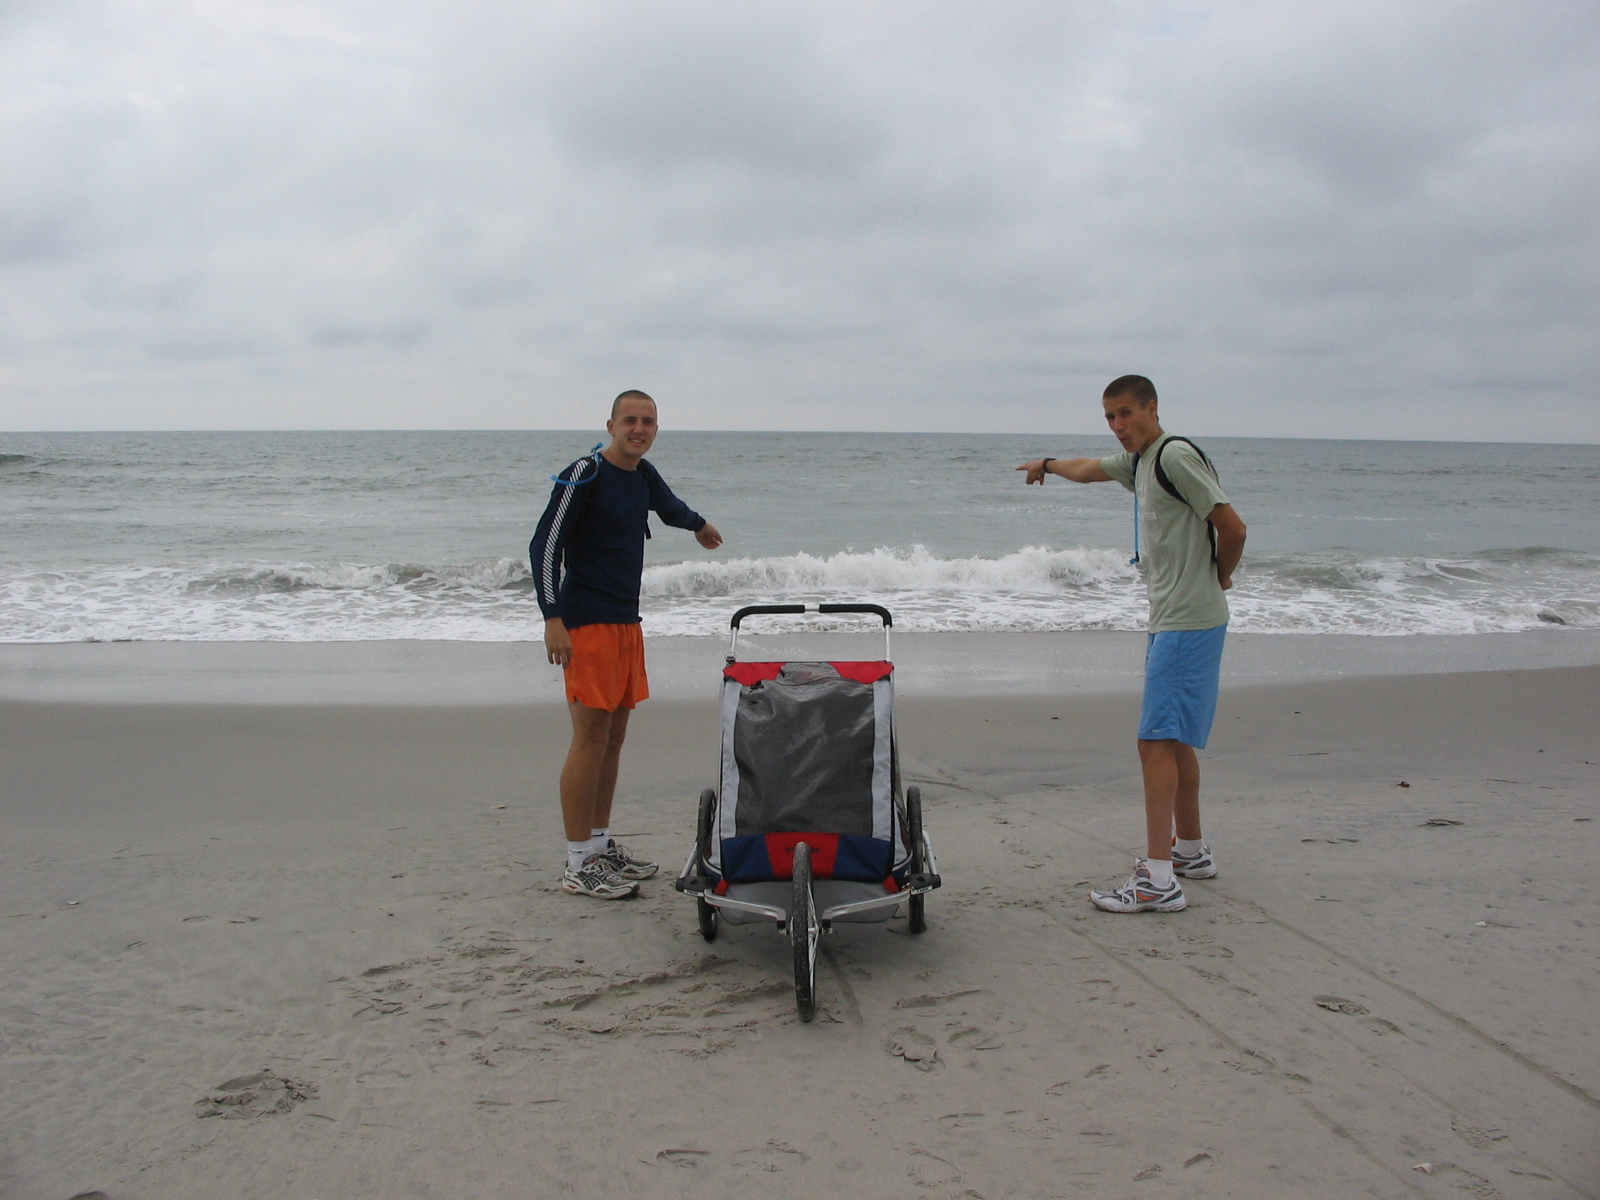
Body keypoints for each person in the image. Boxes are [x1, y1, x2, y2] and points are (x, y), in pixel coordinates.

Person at [1017, 375, 1246, 913]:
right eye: (1109, 417)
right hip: (1177, 619)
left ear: (1152, 407)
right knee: (1176, 738)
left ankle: (1158, 880)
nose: (1118, 425)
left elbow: (1233, 528)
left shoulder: (1173, 457)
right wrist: (1047, 464)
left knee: (1155, 741)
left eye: (1125, 413)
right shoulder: (1142, 462)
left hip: (1187, 621)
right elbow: (1088, 469)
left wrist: (1221, 576)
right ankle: (1189, 852)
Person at [529, 390, 723, 899]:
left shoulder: (642, 475)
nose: (639, 429)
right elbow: (544, 544)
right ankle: (578, 863)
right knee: (589, 740)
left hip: (625, 625)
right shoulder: (584, 474)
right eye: (630, 420)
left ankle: (599, 846)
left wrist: (699, 525)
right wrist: (552, 618)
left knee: (612, 740)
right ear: (611, 425)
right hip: (587, 625)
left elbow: (669, 507)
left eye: (648, 421)